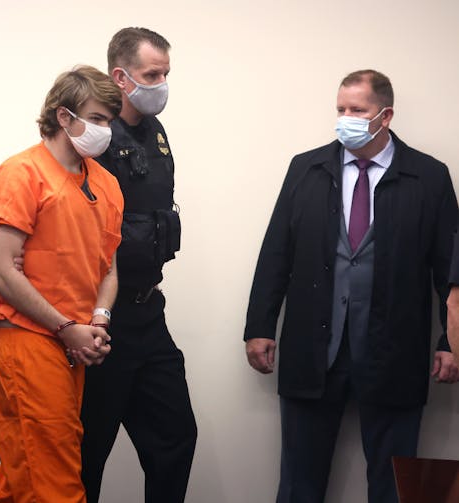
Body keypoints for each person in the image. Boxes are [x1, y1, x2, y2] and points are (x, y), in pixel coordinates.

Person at [244, 69, 459, 503]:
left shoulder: (429, 177)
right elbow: (276, 253)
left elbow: (449, 270)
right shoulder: (306, 169)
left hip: (394, 349)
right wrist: (259, 326)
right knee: (299, 481)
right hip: (313, 348)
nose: (345, 118)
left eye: (357, 110)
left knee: (396, 483)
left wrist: (449, 340)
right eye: (340, 109)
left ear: (385, 116)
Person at [0, 65, 123, 503]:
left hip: (71, 342)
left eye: (109, 121)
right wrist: (64, 327)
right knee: (55, 486)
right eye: (96, 118)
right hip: (26, 340)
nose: (104, 130)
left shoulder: (107, 184)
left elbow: (109, 268)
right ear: (63, 116)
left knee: (21, 477)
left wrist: (98, 318)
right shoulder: (23, 174)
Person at [80, 27, 197, 503]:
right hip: (100, 318)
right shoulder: (95, 136)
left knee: (175, 437)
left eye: (166, 73)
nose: (162, 84)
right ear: (121, 78)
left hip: (148, 311)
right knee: (87, 452)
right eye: (152, 74)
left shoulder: (156, 132)